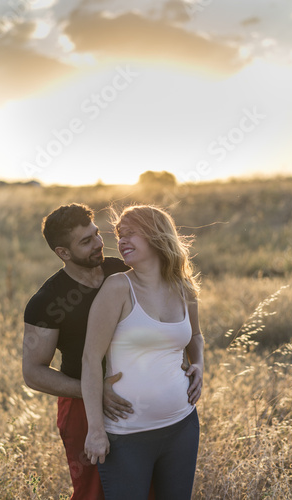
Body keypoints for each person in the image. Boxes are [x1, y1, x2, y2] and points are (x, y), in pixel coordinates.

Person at [82, 205, 204, 500]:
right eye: (119, 235)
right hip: (127, 436)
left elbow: (196, 335)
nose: (121, 241)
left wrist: (199, 363)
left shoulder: (183, 287)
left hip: (182, 426)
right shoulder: (118, 288)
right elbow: (89, 359)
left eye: (131, 233)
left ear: (157, 235)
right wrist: (96, 430)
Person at [22, 203, 135, 500]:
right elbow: (33, 372)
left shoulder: (123, 271)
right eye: (86, 241)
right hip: (81, 407)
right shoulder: (47, 301)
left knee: (145, 487)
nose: (99, 243)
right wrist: (93, 391)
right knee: (94, 493)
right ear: (63, 253)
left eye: (96, 234)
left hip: (138, 395)